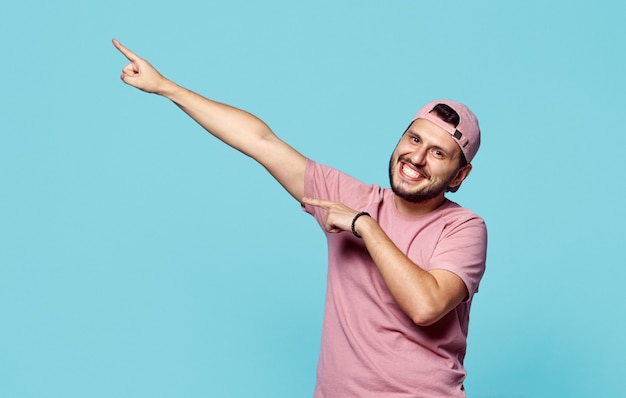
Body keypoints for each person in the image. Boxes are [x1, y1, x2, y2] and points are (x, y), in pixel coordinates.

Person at [113, 38, 487, 398]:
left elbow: (426, 306)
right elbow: (261, 141)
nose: (416, 158)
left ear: (459, 175)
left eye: (439, 153)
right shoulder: (350, 196)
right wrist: (166, 87)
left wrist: (365, 226)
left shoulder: (463, 228)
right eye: (415, 139)